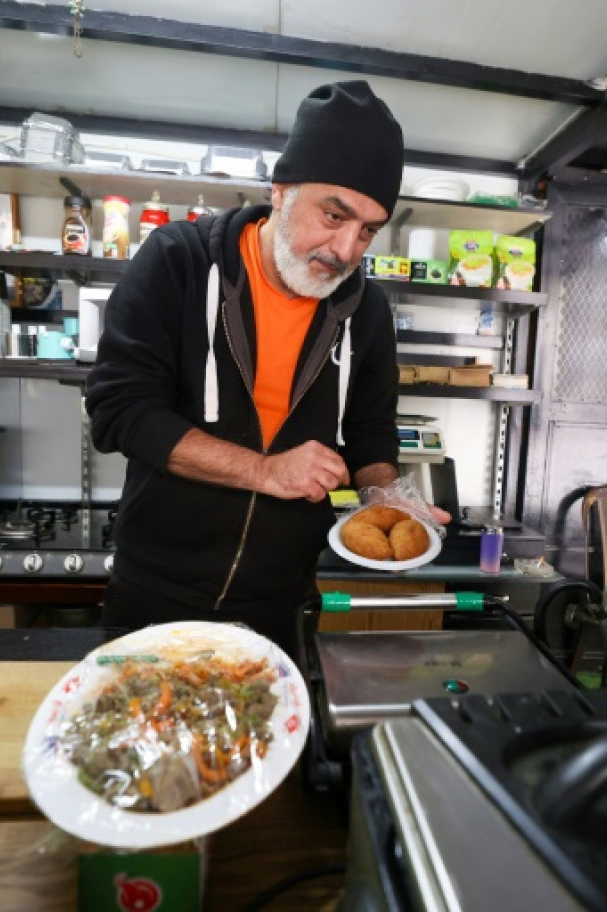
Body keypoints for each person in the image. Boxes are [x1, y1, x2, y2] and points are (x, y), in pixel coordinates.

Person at [86, 80, 444, 656]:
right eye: (334, 215)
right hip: (155, 596)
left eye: (369, 230)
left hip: (281, 605)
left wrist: (386, 494)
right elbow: (118, 412)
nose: (347, 249)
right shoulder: (179, 262)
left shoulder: (367, 312)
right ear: (281, 191)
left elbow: (371, 432)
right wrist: (265, 471)